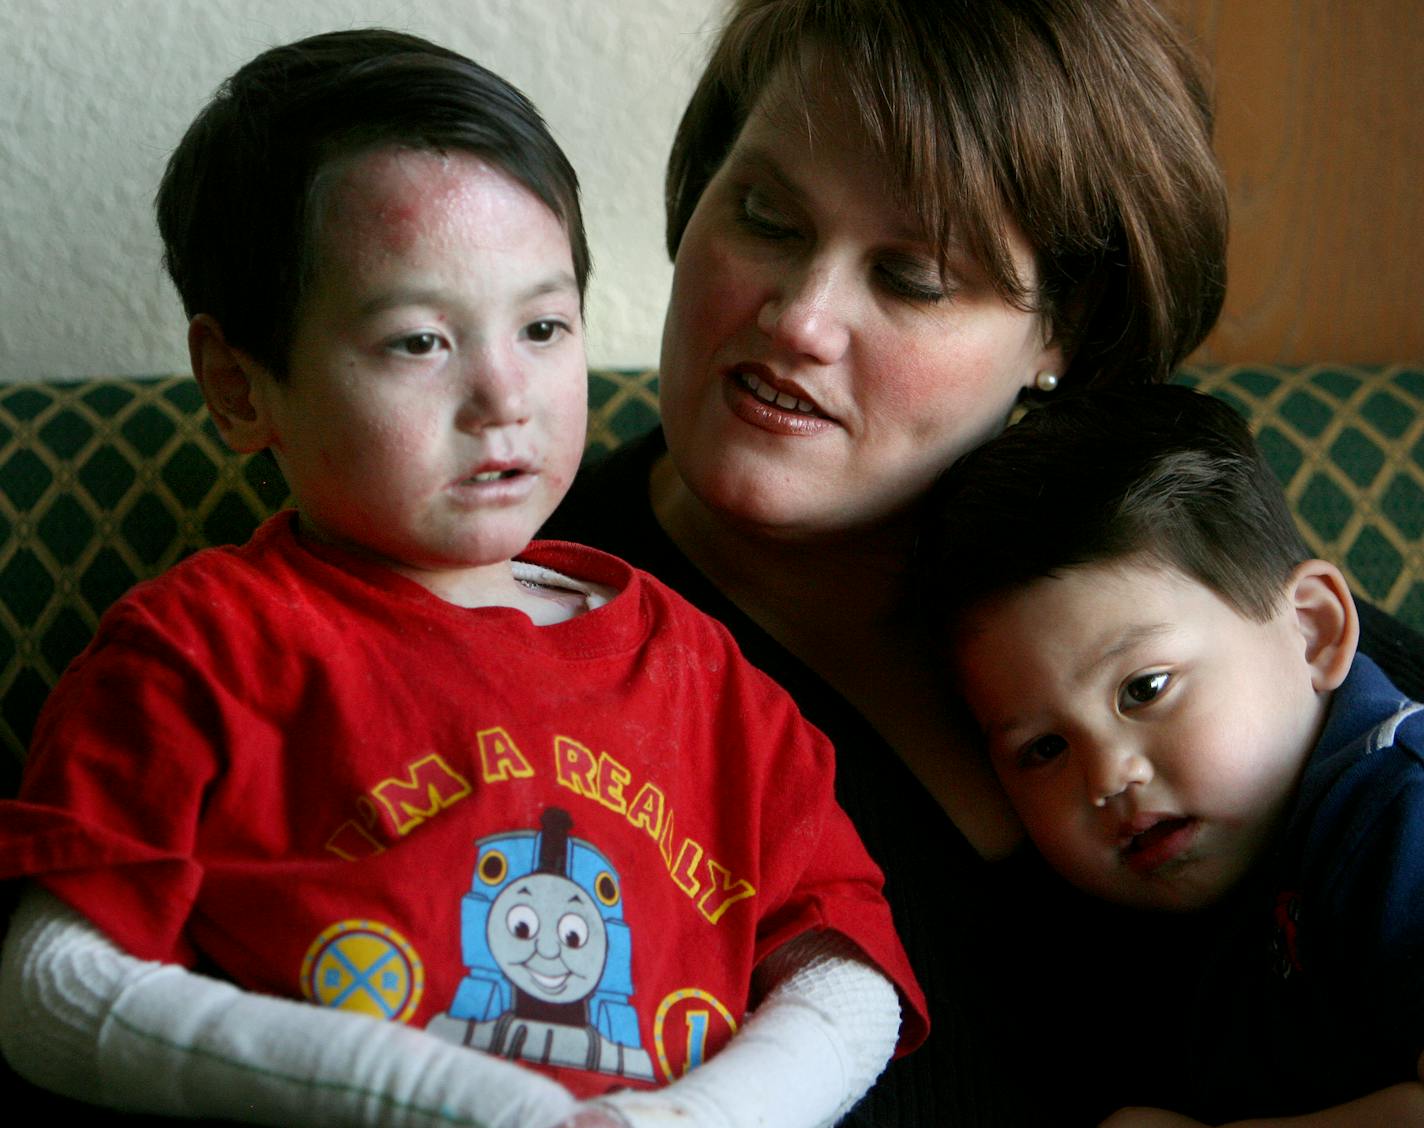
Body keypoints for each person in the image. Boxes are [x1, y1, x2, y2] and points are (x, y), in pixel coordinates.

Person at [0, 28, 930, 1128]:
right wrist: (454, 1104)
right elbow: (55, 993)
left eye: (542, 326)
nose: (504, 396)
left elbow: (846, 980)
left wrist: (679, 1122)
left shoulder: (705, 673)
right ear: (241, 387)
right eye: (417, 342)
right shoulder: (198, 651)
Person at [541, 0, 1424, 1122]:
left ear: (1063, 333)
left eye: (911, 277)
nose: (800, 319)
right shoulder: (521, 616)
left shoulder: (1134, 554)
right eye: (765, 218)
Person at [919, 383, 1424, 1125]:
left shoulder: (1399, 810)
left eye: (1145, 689)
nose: (1108, 776)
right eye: (1044, 748)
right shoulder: (1194, 891)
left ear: (1312, 631)